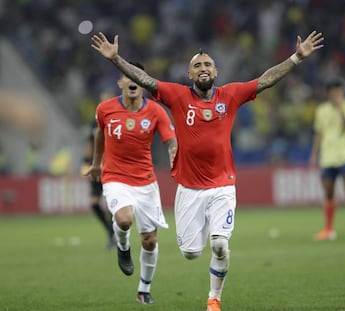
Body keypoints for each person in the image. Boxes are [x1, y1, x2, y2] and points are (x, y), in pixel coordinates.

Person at [91, 30, 323, 311]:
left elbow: (266, 80)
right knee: (190, 253)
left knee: (220, 246)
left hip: (222, 187)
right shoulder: (176, 96)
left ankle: (214, 298)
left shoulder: (231, 95)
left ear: (216, 71)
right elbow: (145, 80)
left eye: (208, 64)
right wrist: (116, 59)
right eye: (198, 65)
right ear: (189, 74)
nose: (203, 69)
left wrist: (297, 57)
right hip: (189, 190)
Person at [84, 62, 177, 304]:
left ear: (144, 82)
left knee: (150, 240)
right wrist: (96, 164)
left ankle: (144, 290)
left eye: (139, 76)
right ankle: (122, 246)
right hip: (115, 177)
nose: (133, 80)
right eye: (128, 76)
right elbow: (99, 134)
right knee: (124, 219)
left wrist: (173, 152)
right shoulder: (105, 109)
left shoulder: (156, 112)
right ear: (121, 83)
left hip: (146, 182)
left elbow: (171, 139)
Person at [309, 78, 345, 241]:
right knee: (328, 193)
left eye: (338, 91)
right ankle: (329, 229)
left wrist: (340, 108)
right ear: (328, 93)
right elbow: (319, 133)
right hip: (328, 157)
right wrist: (314, 154)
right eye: (332, 92)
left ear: (342, 92)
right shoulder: (321, 110)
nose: (336, 94)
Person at [81, 112, 115, 250]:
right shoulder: (94, 122)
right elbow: (90, 143)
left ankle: (116, 235)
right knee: (94, 203)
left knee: (112, 205)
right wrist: (85, 162)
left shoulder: (116, 120)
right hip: (95, 167)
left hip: (110, 166)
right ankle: (111, 232)